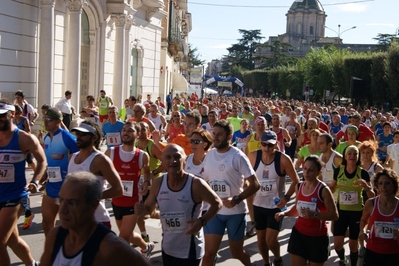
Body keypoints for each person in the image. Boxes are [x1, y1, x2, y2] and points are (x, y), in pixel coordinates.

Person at [135, 144, 223, 266]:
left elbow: (217, 203)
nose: (173, 161)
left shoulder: (196, 184)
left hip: (190, 249)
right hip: (168, 247)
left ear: (184, 160)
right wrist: (141, 211)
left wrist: (202, 221)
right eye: (168, 157)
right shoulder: (158, 183)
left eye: (177, 156)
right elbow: (148, 212)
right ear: (163, 161)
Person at [40, 171, 150, 266]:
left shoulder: (110, 247)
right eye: (61, 200)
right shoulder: (54, 236)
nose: (62, 210)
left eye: (72, 203)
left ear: (93, 205)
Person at [201, 120, 260, 266]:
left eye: (220, 134)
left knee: (237, 253)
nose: (215, 137)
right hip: (215, 211)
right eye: (214, 134)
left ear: (229, 136)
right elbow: (205, 181)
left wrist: (237, 199)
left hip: (235, 212)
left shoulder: (238, 156)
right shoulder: (209, 156)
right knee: (208, 254)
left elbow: (255, 184)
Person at [0, 100, 47, 266]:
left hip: (15, 196)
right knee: (12, 240)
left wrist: (35, 180)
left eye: (1, 116)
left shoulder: (24, 139)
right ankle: (32, 263)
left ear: (12, 114)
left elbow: (42, 161)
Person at [275, 156, 339, 266]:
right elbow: (296, 209)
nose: (306, 172)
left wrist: (315, 214)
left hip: (317, 238)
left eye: (311, 170)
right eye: (305, 168)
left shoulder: (323, 190)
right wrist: (284, 213)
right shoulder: (299, 186)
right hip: (299, 234)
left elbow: (334, 215)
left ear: (318, 172)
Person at [248, 131, 300, 266]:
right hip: (258, 205)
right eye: (264, 145)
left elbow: (296, 181)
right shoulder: (253, 156)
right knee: (260, 240)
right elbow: (245, 180)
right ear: (260, 144)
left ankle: (277, 258)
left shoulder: (283, 159)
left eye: (270, 145)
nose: (267, 148)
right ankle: (266, 262)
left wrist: (287, 198)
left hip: (275, 206)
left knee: (270, 240)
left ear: (276, 144)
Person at [105, 122, 155, 257]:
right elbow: (101, 171)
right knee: (128, 234)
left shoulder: (142, 155)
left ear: (137, 135)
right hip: (116, 201)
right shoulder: (111, 152)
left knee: (123, 237)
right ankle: (146, 247)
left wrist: (146, 182)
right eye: (124, 130)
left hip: (133, 202)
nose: (126, 133)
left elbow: (146, 171)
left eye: (130, 131)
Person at [68, 120, 123, 229]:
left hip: (97, 221)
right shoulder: (72, 157)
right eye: (77, 134)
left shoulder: (100, 160)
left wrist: (90, 198)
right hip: (75, 220)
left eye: (83, 134)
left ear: (94, 138)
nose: (78, 137)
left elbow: (118, 189)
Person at [330, 145, 375, 266]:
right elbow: (332, 188)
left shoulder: (363, 173)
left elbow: (372, 196)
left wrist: (366, 187)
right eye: (349, 153)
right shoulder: (338, 171)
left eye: (355, 154)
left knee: (352, 244)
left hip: (356, 213)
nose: (352, 156)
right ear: (345, 156)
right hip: (341, 211)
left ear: (358, 156)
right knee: (337, 244)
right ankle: (343, 259)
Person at [41, 107, 79, 236]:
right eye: (44, 119)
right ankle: (51, 251)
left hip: (66, 188)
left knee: (68, 226)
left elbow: (81, 157)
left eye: (49, 119)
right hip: (51, 186)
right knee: (46, 223)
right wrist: (43, 176)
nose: (46, 122)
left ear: (58, 121)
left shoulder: (68, 138)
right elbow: (47, 162)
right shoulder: (45, 138)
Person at [358, 169, 399, 266]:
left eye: (387, 183)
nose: (384, 187)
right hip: (373, 251)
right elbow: (363, 220)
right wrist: (363, 231)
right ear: (377, 186)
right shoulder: (371, 203)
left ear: (394, 185)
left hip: (394, 253)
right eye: (380, 183)